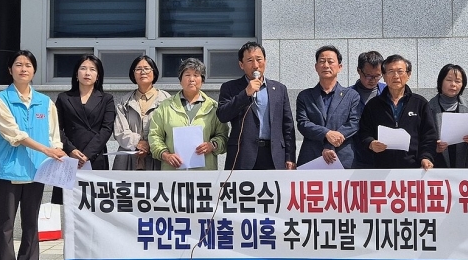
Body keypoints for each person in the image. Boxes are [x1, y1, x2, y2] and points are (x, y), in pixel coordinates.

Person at [0, 50, 65, 260]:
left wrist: (56, 151)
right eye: (18, 64)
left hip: (36, 170)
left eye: (28, 65)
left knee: (31, 224)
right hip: (7, 171)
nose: (23, 69)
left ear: (34, 71)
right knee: (4, 224)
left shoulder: (45, 102)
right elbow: (13, 134)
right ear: (10, 70)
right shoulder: (1, 100)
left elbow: (54, 135)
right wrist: (46, 149)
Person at [217, 42, 296, 170]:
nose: (255, 65)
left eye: (259, 59)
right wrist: (245, 93)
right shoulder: (230, 87)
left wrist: (290, 157)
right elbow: (222, 115)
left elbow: (288, 125)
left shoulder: (279, 89)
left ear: (265, 61)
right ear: (241, 65)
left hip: (274, 155)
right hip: (243, 155)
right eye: (250, 60)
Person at [51, 55, 115, 204]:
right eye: (83, 68)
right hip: (68, 157)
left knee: (95, 204)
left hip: (95, 156)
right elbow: (56, 128)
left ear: (98, 76)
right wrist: (71, 150)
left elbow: (106, 129)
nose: (87, 73)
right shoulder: (64, 98)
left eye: (92, 69)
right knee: (67, 204)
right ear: (76, 73)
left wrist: (87, 155)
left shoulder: (106, 99)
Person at [358, 54, 437, 169]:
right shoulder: (373, 105)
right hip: (381, 169)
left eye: (400, 71)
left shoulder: (420, 103)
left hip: (414, 168)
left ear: (408, 75)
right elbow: (364, 132)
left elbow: (429, 135)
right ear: (384, 76)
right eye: (390, 72)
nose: (396, 76)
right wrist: (371, 143)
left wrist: (426, 157)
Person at [148, 58, 229, 170]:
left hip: (204, 173)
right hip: (173, 172)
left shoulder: (213, 107)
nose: (191, 79)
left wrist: (212, 145)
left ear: (202, 80)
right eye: (187, 75)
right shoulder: (165, 107)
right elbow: (155, 136)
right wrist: (166, 155)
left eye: (196, 75)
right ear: (180, 80)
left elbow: (223, 136)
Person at [296, 45, 360, 168]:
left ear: (340, 67)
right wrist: (327, 133)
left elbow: (354, 123)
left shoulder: (352, 95)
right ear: (316, 67)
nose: (326, 65)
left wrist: (330, 145)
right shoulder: (305, 96)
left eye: (330, 62)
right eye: (322, 61)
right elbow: (303, 123)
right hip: (312, 156)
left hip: (342, 157)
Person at [113, 55, 171, 170]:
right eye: (138, 69)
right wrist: (137, 143)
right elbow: (120, 130)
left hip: (157, 157)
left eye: (147, 68)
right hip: (129, 158)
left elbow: (170, 128)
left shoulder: (166, 99)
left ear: (154, 72)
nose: (143, 72)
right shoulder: (125, 101)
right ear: (133, 74)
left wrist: (152, 144)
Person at [429, 64, 468, 168]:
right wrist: (433, 147)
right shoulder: (428, 108)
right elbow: (422, 138)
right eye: (449, 80)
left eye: (458, 81)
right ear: (440, 82)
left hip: (464, 166)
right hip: (436, 166)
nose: (453, 84)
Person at [351, 51, 386, 168]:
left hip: (384, 153)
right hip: (357, 154)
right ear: (359, 71)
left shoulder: (388, 92)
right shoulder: (347, 95)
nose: (373, 80)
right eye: (368, 76)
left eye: (377, 76)